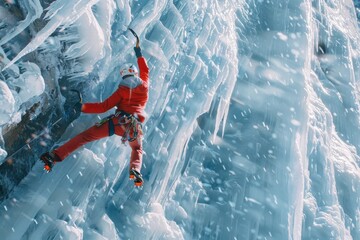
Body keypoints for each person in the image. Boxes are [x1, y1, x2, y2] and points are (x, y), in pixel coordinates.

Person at [40, 39, 149, 187]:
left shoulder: (121, 91)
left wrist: (82, 107)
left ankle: (54, 156)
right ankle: (135, 169)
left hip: (117, 122)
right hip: (134, 128)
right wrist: (138, 52)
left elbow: (103, 107)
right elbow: (145, 71)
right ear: (134, 73)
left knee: (84, 137)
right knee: (137, 148)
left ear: (123, 75)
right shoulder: (145, 86)